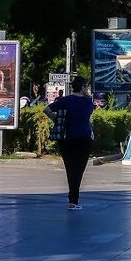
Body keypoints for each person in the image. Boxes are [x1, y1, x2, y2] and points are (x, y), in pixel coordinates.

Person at [48, 76, 95, 210]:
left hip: (66, 138)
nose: (87, 89)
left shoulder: (65, 100)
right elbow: (87, 116)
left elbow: (47, 110)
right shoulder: (87, 102)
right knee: (79, 170)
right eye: (86, 86)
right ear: (82, 87)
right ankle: (74, 200)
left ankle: (72, 199)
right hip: (84, 138)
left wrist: (57, 120)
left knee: (70, 168)